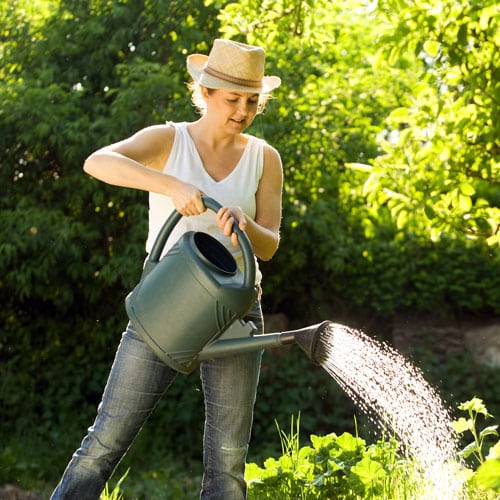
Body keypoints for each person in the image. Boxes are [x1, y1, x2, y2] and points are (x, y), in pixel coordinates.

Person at [51, 38, 283, 499]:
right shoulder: (169, 139)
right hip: (168, 303)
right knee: (104, 442)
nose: (242, 110)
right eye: (233, 99)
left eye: (252, 101)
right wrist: (170, 184)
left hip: (236, 311)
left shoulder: (265, 157)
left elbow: (271, 245)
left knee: (228, 462)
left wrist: (246, 223)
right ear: (206, 93)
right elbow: (98, 162)